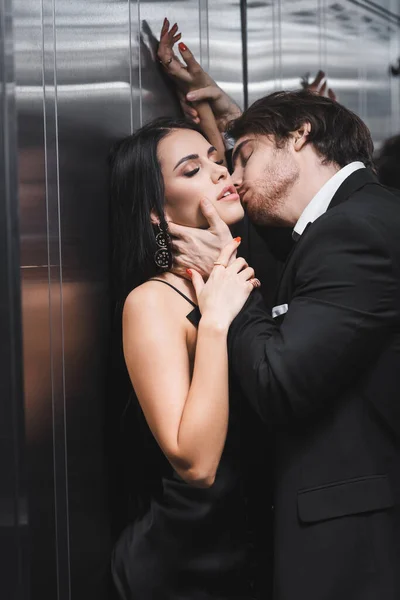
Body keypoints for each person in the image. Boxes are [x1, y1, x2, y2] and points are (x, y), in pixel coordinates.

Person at [161, 37, 400, 600]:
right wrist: (233, 122)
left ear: (300, 137)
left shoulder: (354, 231)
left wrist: (225, 280)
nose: (232, 175)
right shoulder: (354, 217)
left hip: (353, 548)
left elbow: (280, 382)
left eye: (239, 156)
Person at [109, 116, 273, 600]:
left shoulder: (242, 270)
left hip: (251, 556)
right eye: (191, 170)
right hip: (182, 568)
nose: (219, 172)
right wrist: (216, 322)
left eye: (216, 159)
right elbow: (196, 465)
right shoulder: (152, 301)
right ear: (157, 215)